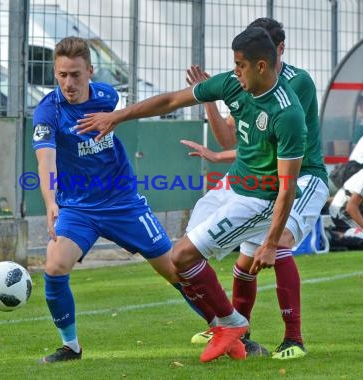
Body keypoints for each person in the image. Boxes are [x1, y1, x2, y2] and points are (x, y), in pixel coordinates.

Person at [76, 26, 307, 363]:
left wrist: (271, 242)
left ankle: (232, 324)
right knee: (178, 260)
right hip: (232, 187)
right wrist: (118, 116)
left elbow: (287, 186)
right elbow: (171, 99)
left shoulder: (288, 114)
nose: (235, 71)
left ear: (261, 66)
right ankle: (231, 331)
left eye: (240, 65)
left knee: (183, 255)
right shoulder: (232, 83)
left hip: (260, 199)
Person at [32, 36, 206, 364]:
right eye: (62, 75)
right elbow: (46, 161)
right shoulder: (47, 113)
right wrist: (51, 201)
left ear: (90, 71)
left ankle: (225, 325)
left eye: (76, 75)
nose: (68, 83)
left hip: (122, 201)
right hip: (78, 208)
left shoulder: (106, 96)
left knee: (175, 271)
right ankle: (71, 346)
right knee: (54, 265)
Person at [181, 17, 328, 360]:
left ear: (278, 50)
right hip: (263, 180)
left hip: (302, 176)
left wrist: (225, 156)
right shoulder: (248, 82)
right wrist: (208, 101)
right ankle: (234, 332)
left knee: (278, 244)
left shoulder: (297, 83)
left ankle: (294, 339)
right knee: (245, 265)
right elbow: (229, 137)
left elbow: (282, 149)